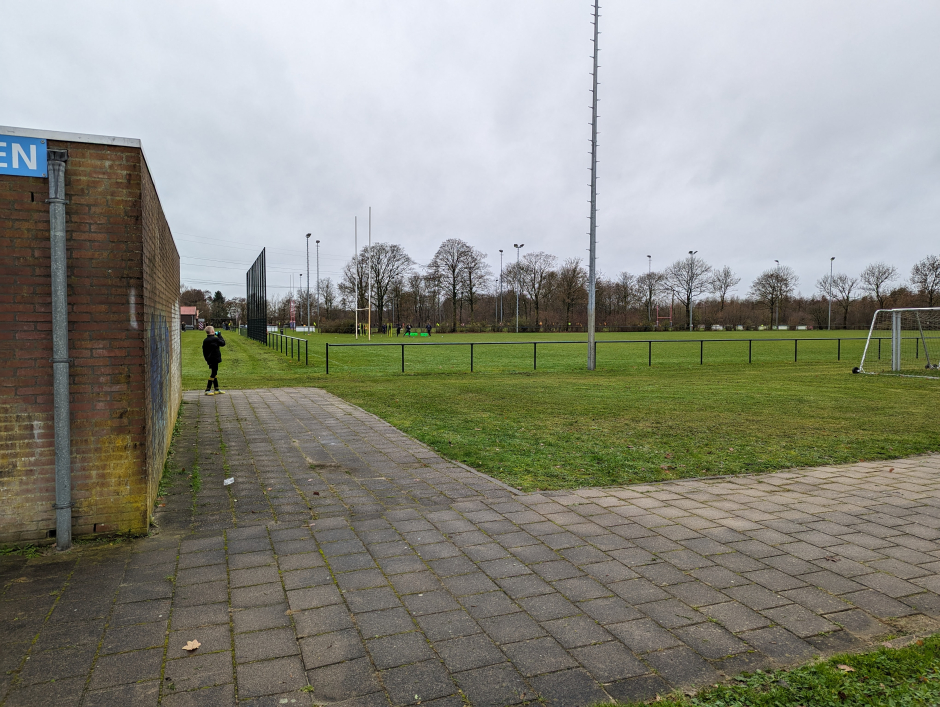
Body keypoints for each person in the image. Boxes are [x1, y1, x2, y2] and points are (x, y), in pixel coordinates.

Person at [202, 326, 226, 395]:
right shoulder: (215, 339)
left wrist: (207, 359)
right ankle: (207, 389)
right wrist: (219, 336)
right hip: (214, 358)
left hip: (209, 359)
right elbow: (223, 343)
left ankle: (216, 388)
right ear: (212, 331)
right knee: (213, 374)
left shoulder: (205, 340)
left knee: (214, 373)